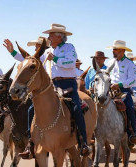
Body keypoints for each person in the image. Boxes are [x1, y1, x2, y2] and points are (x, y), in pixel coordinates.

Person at [43, 23, 91, 156]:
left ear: (59, 36)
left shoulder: (70, 48)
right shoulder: (48, 51)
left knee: (76, 109)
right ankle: (32, 142)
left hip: (68, 85)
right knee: (31, 108)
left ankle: (84, 142)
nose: (49, 37)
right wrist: (13, 52)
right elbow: (33, 60)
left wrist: (56, 58)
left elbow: (70, 63)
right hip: (52, 86)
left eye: (51, 35)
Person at [106, 40, 136, 144]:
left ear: (122, 50)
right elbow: (107, 75)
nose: (113, 51)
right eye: (113, 49)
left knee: (129, 107)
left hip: (123, 91)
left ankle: (132, 132)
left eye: (115, 49)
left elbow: (133, 79)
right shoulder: (111, 62)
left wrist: (119, 84)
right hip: (109, 90)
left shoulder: (129, 64)